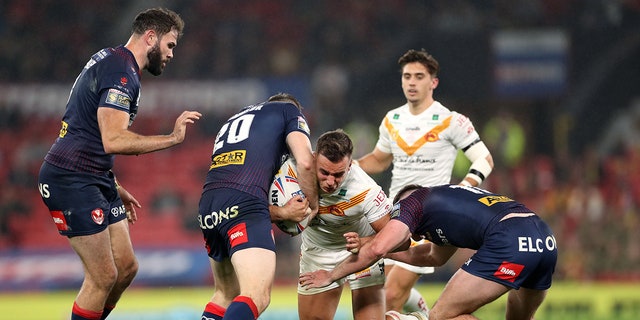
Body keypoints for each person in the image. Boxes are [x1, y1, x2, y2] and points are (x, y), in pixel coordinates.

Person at [37, 8, 200, 320]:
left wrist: (114, 185)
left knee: (126, 268)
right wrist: (172, 138)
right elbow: (113, 139)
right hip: (71, 177)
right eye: (170, 45)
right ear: (151, 37)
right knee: (102, 277)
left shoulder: (111, 59)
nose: (171, 54)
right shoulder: (121, 73)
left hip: (94, 174)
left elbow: (89, 131)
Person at [355, 48, 494, 314]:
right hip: (391, 216)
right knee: (382, 287)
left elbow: (484, 160)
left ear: (434, 82)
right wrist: (351, 166)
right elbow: (380, 160)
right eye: (407, 76)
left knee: (390, 295)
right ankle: (422, 310)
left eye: (419, 76)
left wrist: (462, 190)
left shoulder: (451, 120)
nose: (411, 82)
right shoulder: (391, 120)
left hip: (429, 219)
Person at [300, 184, 558, 320]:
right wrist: (385, 251)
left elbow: (379, 247)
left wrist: (332, 275)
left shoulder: (412, 203)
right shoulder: (445, 207)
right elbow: (432, 256)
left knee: (441, 315)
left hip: (509, 239)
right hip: (543, 238)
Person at [198, 93, 319, 320]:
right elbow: (305, 162)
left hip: (208, 206)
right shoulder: (288, 110)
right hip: (244, 203)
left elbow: (235, 187)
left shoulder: (233, 121)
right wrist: (314, 206)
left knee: (225, 295)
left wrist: (281, 212)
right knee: (257, 295)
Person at [295, 129, 392, 320]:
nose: (330, 182)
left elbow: (396, 237)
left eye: (338, 174)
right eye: (324, 172)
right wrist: (283, 213)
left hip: (362, 253)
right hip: (319, 250)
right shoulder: (293, 175)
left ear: (349, 166)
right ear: (313, 159)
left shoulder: (366, 190)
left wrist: (365, 242)